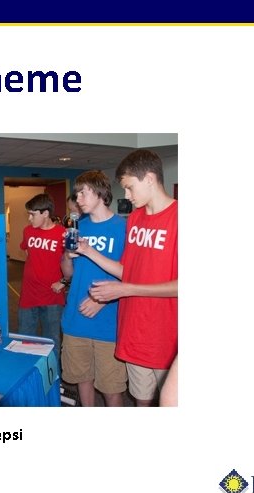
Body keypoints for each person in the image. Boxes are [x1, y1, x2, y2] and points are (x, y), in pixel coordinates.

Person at [76, 149, 178, 406]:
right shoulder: (134, 219)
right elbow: (126, 271)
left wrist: (126, 289)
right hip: (134, 331)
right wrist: (88, 251)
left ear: (149, 179)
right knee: (141, 402)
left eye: (130, 187)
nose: (127, 195)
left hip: (168, 336)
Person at [61, 170, 127, 406]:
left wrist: (102, 300)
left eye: (83, 193)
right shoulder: (78, 227)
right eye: (76, 194)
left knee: (112, 389)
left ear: (100, 192)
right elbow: (67, 274)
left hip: (108, 324)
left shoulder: (124, 228)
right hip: (75, 319)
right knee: (83, 380)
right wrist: (68, 256)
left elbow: (131, 275)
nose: (78, 199)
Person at [18, 193, 66, 355]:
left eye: (33, 214)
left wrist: (63, 282)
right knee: (25, 340)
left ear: (45, 213)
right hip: (29, 295)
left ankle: (52, 371)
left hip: (52, 296)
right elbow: (28, 252)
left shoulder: (63, 234)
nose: (29, 218)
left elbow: (73, 263)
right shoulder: (28, 231)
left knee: (51, 341)